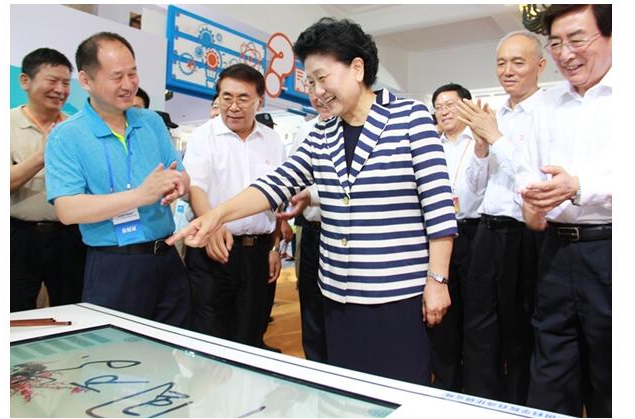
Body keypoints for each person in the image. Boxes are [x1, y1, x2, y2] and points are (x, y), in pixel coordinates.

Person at [169, 17, 457, 386]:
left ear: (357, 68)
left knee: (400, 391)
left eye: (322, 78)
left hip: (397, 294)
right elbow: (276, 183)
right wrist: (218, 215)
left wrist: (437, 280)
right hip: (337, 296)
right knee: (346, 395)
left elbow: (438, 209)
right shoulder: (323, 132)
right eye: (311, 82)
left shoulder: (410, 118)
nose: (317, 92)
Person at [44, 32, 191, 327]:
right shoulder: (67, 135)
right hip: (114, 264)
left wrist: (179, 185)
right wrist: (140, 195)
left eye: (132, 73)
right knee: (119, 352)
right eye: (117, 77)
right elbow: (67, 209)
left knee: (173, 346)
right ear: (86, 80)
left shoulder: (151, 122)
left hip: (166, 256)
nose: (128, 84)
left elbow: (181, 174)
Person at [515, 5, 612, 417]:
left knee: (611, 375)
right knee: (551, 371)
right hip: (554, 253)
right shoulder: (548, 105)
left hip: (610, 250)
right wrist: (531, 204)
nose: (565, 53)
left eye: (577, 39)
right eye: (555, 43)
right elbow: (525, 169)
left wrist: (579, 187)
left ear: (610, 37)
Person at [453, 30, 546, 404]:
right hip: (485, 232)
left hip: (525, 236)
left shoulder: (547, 113)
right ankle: (479, 403)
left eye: (518, 62)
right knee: (478, 328)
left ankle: (518, 406)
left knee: (519, 331)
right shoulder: (493, 115)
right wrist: (480, 146)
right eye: (501, 63)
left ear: (540, 65)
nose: (507, 71)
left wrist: (495, 138)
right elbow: (475, 188)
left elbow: (535, 181)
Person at [182, 63, 283, 349]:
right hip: (213, 251)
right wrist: (212, 226)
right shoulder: (203, 136)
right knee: (210, 337)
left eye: (243, 98)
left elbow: (277, 200)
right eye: (226, 97)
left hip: (257, 254)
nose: (233, 106)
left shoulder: (273, 141)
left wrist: (274, 248)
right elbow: (196, 188)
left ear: (259, 101)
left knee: (250, 337)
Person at [10, 47, 86, 312]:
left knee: (73, 309)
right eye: (52, 81)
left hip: (69, 236)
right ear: (25, 81)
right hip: (18, 236)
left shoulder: (76, 127)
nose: (60, 90)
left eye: (66, 83)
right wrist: (44, 154)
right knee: (15, 312)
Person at [428, 82, 483, 392]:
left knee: (475, 313)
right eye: (438, 107)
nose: (444, 111)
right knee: (442, 314)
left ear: (466, 105)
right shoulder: (430, 145)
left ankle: (475, 387)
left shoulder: (478, 140)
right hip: (438, 237)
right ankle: (446, 383)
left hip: (473, 234)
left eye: (450, 104)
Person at [282, 91, 333, 363]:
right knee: (310, 302)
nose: (319, 96)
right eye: (312, 88)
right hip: (311, 230)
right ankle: (315, 366)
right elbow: (292, 178)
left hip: (343, 232)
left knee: (339, 307)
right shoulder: (306, 130)